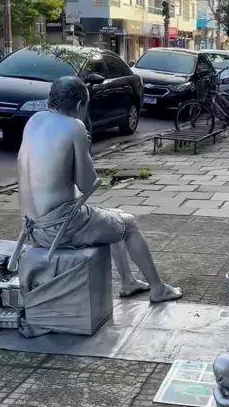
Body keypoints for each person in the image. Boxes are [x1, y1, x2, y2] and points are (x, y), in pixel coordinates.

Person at [17, 76, 182, 303]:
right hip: (59, 228)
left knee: (113, 218)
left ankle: (128, 282)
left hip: (31, 227)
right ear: (79, 105)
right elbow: (88, 185)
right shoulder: (74, 126)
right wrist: (85, 148)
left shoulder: (34, 121)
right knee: (129, 223)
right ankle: (158, 289)